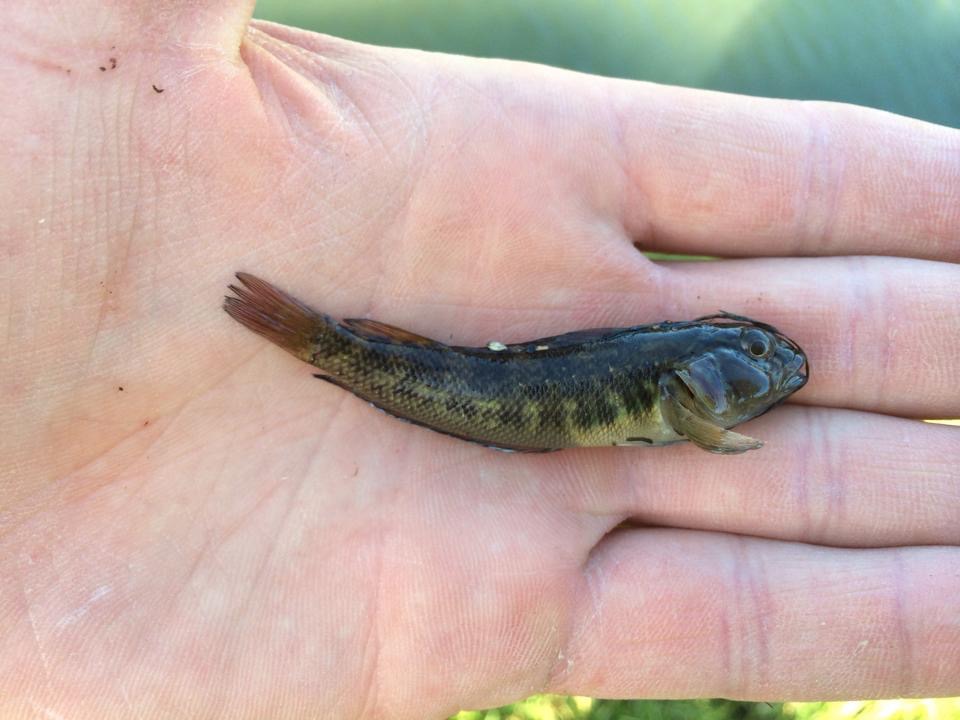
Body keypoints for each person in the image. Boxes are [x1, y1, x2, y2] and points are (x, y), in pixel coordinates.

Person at [2, 2, 958, 718]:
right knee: (372, 359)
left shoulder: (686, 379)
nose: (776, 362)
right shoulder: (690, 395)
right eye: (756, 351)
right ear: (698, 383)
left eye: (763, 351)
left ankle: (335, 348)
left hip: (475, 384)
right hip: (464, 382)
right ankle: (327, 345)